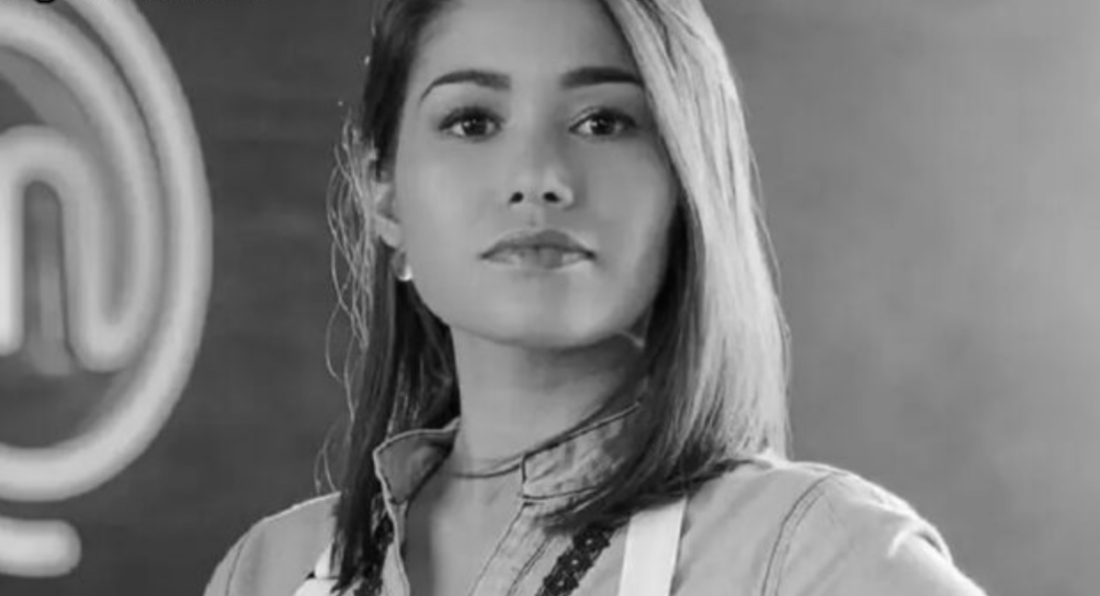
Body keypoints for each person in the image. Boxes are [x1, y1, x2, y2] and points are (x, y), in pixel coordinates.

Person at [204, 0, 990, 594]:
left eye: (604, 122)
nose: (538, 177)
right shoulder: (268, 571)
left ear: (687, 183)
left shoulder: (815, 556)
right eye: (473, 122)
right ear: (384, 194)